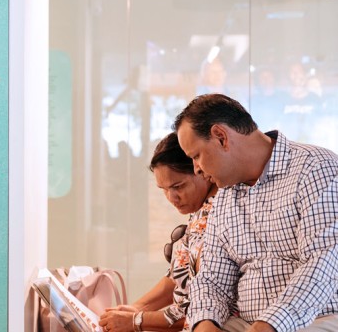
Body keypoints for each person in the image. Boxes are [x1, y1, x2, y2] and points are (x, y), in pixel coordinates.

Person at [173, 93, 338, 332]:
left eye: (196, 156)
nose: (196, 169)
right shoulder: (225, 197)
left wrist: (269, 325)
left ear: (221, 137)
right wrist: (204, 324)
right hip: (247, 324)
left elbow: (323, 264)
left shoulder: (316, 169)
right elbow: (211, 279)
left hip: (319, 319)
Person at [99, 132, 219, 332]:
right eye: (163, 189)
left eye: (178, 186)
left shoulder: (220, 216)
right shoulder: (200, 211)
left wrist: (137, 320)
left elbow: (200, 312)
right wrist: (136, 309)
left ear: (201, 169)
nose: (172, 198)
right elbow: (176, 276)